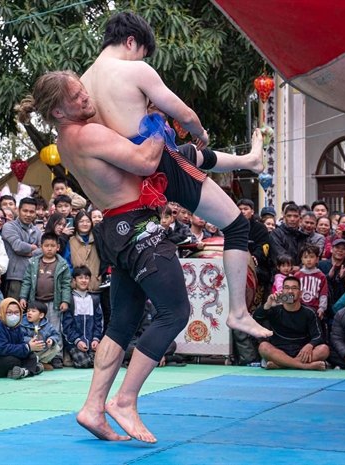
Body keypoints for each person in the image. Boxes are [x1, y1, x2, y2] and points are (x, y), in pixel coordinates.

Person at [15, 71, 202, 443]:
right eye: (76, 96)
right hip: (136, 227)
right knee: (175, 312)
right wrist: (156, 117)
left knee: (122, 324)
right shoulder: (86, 135)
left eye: (83, 90)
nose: (86, 97)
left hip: (117, 229)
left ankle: (93, 407)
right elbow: (146, 161)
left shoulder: (66, 140)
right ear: (57, 112)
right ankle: (125, 400)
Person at [82, 11, 270, 341]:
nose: (141, 60)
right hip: (156, 164)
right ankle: (238, 312)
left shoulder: (82, 84)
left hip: (122, 176)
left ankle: (249, 160)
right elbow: (183, 113)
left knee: (186, 153)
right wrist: (201, 131)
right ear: (131, 42)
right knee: (237, 226)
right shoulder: (133, 69)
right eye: (142, 52)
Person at [19, 233, 71, 370]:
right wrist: (23, 297)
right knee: (35, 329)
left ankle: (57, 356)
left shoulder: (62, 264)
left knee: (55, 328)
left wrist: (65, 301)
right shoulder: (34, 262)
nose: (49, 249)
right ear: (41, 246)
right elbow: (27, 281)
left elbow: (66, 284)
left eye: (52, 246)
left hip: (54, 302)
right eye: (46, 246)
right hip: (36, 302)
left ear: (58, 247)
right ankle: (37, 356)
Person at [254, 276, 329, 370]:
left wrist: (310, 345)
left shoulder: (309, 312)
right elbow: (256, 318)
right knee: (263, 347)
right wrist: (267, 305)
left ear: (300, 293)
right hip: (279, 350)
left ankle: (281, 364)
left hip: (302, 351)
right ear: (282, 291)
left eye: (294, 288)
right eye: (287, 288)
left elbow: (318, 336)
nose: (290, 291)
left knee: (324, 349)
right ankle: (304, 366)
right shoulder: (274, 308)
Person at [0, 298, 45, 379]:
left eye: (16, 312)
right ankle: (31, 369)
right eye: (9, 312)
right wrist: (28, 347)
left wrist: (31, 346)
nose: (13, 316)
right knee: (12, 360)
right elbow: (2, 350)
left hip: (1, 358)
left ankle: (24, 372)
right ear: (2, 312)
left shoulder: (17, 327)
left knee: (31, 356)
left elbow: (20, 344)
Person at [63, 266, 104, 368]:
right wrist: (77, 341)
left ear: (90, 280)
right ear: (74, 280)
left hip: (91, 342)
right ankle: (69, 354)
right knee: (84, 363)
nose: (83, 280)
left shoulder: (94, 299)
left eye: (86, 278)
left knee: (101, 362)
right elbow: (66, 326)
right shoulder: (70, 299)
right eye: (80, 278)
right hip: (74, 343)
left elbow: (99, 322)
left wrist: (96, 339)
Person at [2, 197, 42, 300]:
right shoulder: (9, 226)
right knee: (14, 307)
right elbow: (18, 246)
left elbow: (44, 250)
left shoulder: (37, 230)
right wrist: (33, 247)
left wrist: (31, 253)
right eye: (25, 211)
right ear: (18, 210)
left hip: (34, 276)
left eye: (31, 212)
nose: (28, 214)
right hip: (15, 276)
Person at [317, 238, 345, 317]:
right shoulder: (320, 265)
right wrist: (328, 277)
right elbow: (316, 285)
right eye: (337, 247)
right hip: (322, 307)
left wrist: (341, 279)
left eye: (343, 249)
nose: (340, 250)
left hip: (342, 309)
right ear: (331, 249)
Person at [20, 300, 61, 369]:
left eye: (33, 311)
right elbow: (20, 337)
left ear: (41, 315)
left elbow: (56, 334)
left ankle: (42, 362)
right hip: (29, 350)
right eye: (28, 311)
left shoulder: (47, 326)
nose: (29, 313)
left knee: (56, 347)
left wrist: (51, 339)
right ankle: (31, 363)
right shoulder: (22, 324)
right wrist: (29, 340)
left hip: (41, 350)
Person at [68, 211, 102, 292]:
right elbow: (67, 262)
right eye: (81, 221)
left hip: (96, 285)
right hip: (76, 288)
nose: (85, 224)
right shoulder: (70, 241)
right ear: (76, 223)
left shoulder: (98, 239)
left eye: (88, 221)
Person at [294, 244, 328, 320]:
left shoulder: (321, 276)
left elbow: (323, 294)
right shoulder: (297, 275)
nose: (308, 260)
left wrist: (321, 308)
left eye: (312, 257)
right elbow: (292, 292)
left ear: (317, 259)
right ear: (302, 260)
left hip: (314, 310)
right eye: (305, 257)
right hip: (298, 309)